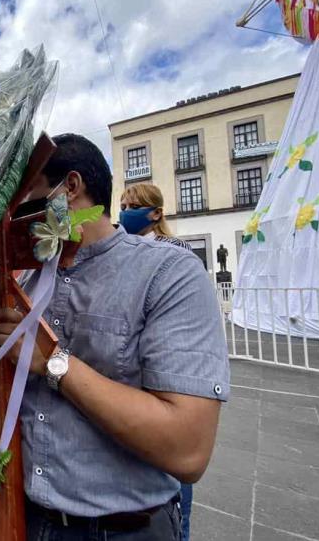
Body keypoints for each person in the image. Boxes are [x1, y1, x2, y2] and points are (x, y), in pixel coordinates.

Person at [0, 134, 229, 540]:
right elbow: (4, 408)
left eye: (24, 199)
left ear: (69, 189)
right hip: (29, 521)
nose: (15, 216)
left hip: (124, 530)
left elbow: (188, 448)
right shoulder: (25, 279)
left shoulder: (169, 274)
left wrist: (55, 363)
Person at [120, 182, 194, 540]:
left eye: (132, 205)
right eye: (121, 204)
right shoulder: (126, 247)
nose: (124, 211)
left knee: (176, 486)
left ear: (156, 213)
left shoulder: (174, 252)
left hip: (165, 372)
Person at [119, 182, 192, 250]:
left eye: (135, 206)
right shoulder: (121, 248)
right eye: (123, 207)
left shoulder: (176, 246)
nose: (126, 211)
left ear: (157, 213)